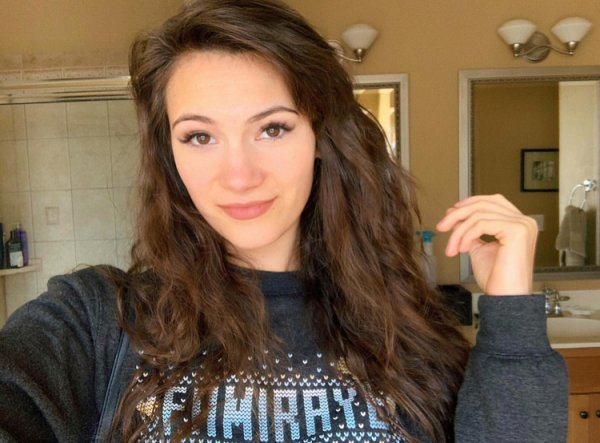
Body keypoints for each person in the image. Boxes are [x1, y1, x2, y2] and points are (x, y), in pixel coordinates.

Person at [0, 0, 567, 442]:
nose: (239, 175)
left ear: (319, 136)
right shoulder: (96, 320)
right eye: (199, 136)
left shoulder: (407, 328)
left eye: (272, 128)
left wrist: (512, 313)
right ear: (170, 156)